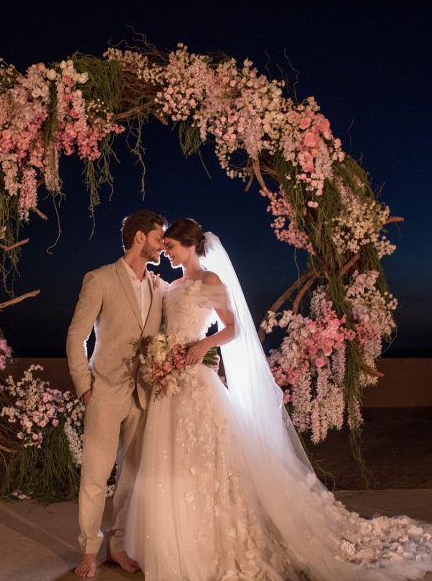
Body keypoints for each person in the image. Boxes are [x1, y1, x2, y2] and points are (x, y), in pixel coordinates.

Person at [125, 218, 432, 581]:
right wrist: (163, 356)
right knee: (171, 461)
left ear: (188, 244)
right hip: (171, 381)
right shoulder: (170, 285)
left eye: (172, 246)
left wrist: (204, 345)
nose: (168, 252)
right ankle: (172, 542)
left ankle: (213, 541)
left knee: (207, 459)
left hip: (197, 377)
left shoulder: (210, 281)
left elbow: (233, 327)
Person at [66, 210, 167, 578]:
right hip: (104, 393)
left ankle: (118, 546)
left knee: (131, 477)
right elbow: (76, 336)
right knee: (95, 476)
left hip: (143, 396)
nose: (162, 245)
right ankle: (89, 550)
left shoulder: (158, 286)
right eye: (159, 237)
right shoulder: (100, 279)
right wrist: (85, 388)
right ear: (140, 238)